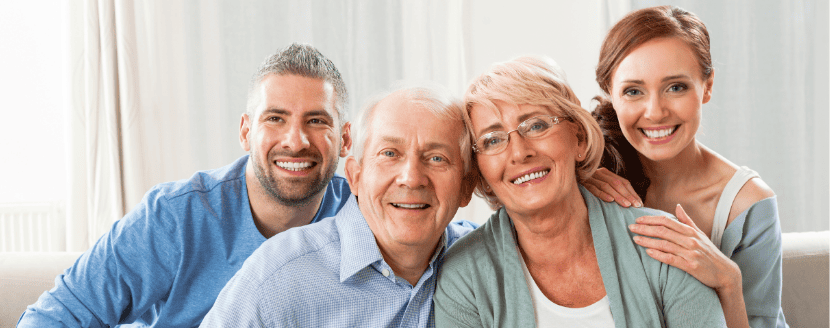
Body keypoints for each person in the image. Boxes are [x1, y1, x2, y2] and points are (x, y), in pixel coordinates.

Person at [17, 43, 353, 327]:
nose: (295, 142)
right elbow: (54, 316)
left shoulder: (365, 217)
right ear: (246, 132)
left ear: (345, 139)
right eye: (275, 118)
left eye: (316, 120)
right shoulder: (174, 216)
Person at [433, 55, 727, 327]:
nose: (519, 153)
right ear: (482, 175)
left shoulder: (663, 243)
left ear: (581, 139)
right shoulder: (464, 275)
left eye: (536, 125)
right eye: (493, 140)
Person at [200, 84, 477, 327]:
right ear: (355, 177)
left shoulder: (485, 263)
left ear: (466, 188)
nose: (412, 179)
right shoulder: (276, 278)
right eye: (390, 153)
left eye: (437, 158)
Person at [584, 6, 786, 328]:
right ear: (611, 93)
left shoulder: (747, 205)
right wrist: (576, 181)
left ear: (706, 87)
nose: (655, 112)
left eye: (675, 87)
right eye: (633, 91)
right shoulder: (591, 175)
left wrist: (729, 281)